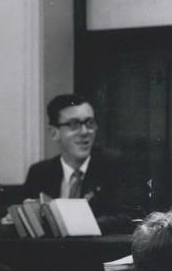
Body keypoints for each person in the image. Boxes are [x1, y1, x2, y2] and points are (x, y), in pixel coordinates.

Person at [22, 93, 143, 233]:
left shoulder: (117, 166)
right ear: (54, 133)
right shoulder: (39, 172)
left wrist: (74, 224)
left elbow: (132, 218)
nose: (85, 132)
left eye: (90, 123)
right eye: (74, 125)